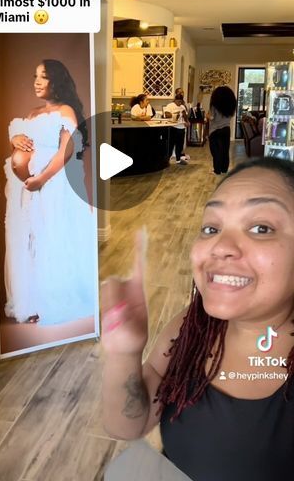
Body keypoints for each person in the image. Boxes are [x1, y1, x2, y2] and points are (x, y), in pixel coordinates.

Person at [101, 157, 294, 480]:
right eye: (211, 228)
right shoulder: (191, 328)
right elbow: (128, 424)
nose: (220, 246)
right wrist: (124, 352)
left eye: (261, 228)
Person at [4, 59, 96, 325]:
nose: (36, 81)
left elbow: (66, 151)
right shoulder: (32, 113)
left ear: (56, 81)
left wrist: (41, 178)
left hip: (52, 185)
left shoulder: (66, 110)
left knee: (49, 237)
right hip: (26, 190)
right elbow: (24, 142)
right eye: (35, 76)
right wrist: (15, 139)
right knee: (30, 241)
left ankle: (48, 300)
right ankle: (30, 300)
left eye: (43, 77)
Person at [208, 85, 237, 175]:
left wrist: (207, 115)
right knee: (225, 151)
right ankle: (224, 169)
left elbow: (212, 117)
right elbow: (231, 116)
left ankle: (217, 170)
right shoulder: (230, 106)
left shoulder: (214, 105)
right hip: (226, 130)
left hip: (215, 131)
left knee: (216, 152)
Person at [164, 95, 190, 164]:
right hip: (173, 127)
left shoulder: (182, 106)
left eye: (181, 102)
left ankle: (178, 160)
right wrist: (175, 114)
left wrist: (187, 121)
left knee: (180, 145)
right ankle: (167, 160)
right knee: (171, 145)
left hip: (181, 127)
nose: (179, 103)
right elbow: (166, 114)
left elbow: (185, 115)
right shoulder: (170, 105)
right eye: (178, 101)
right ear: (175, 100)